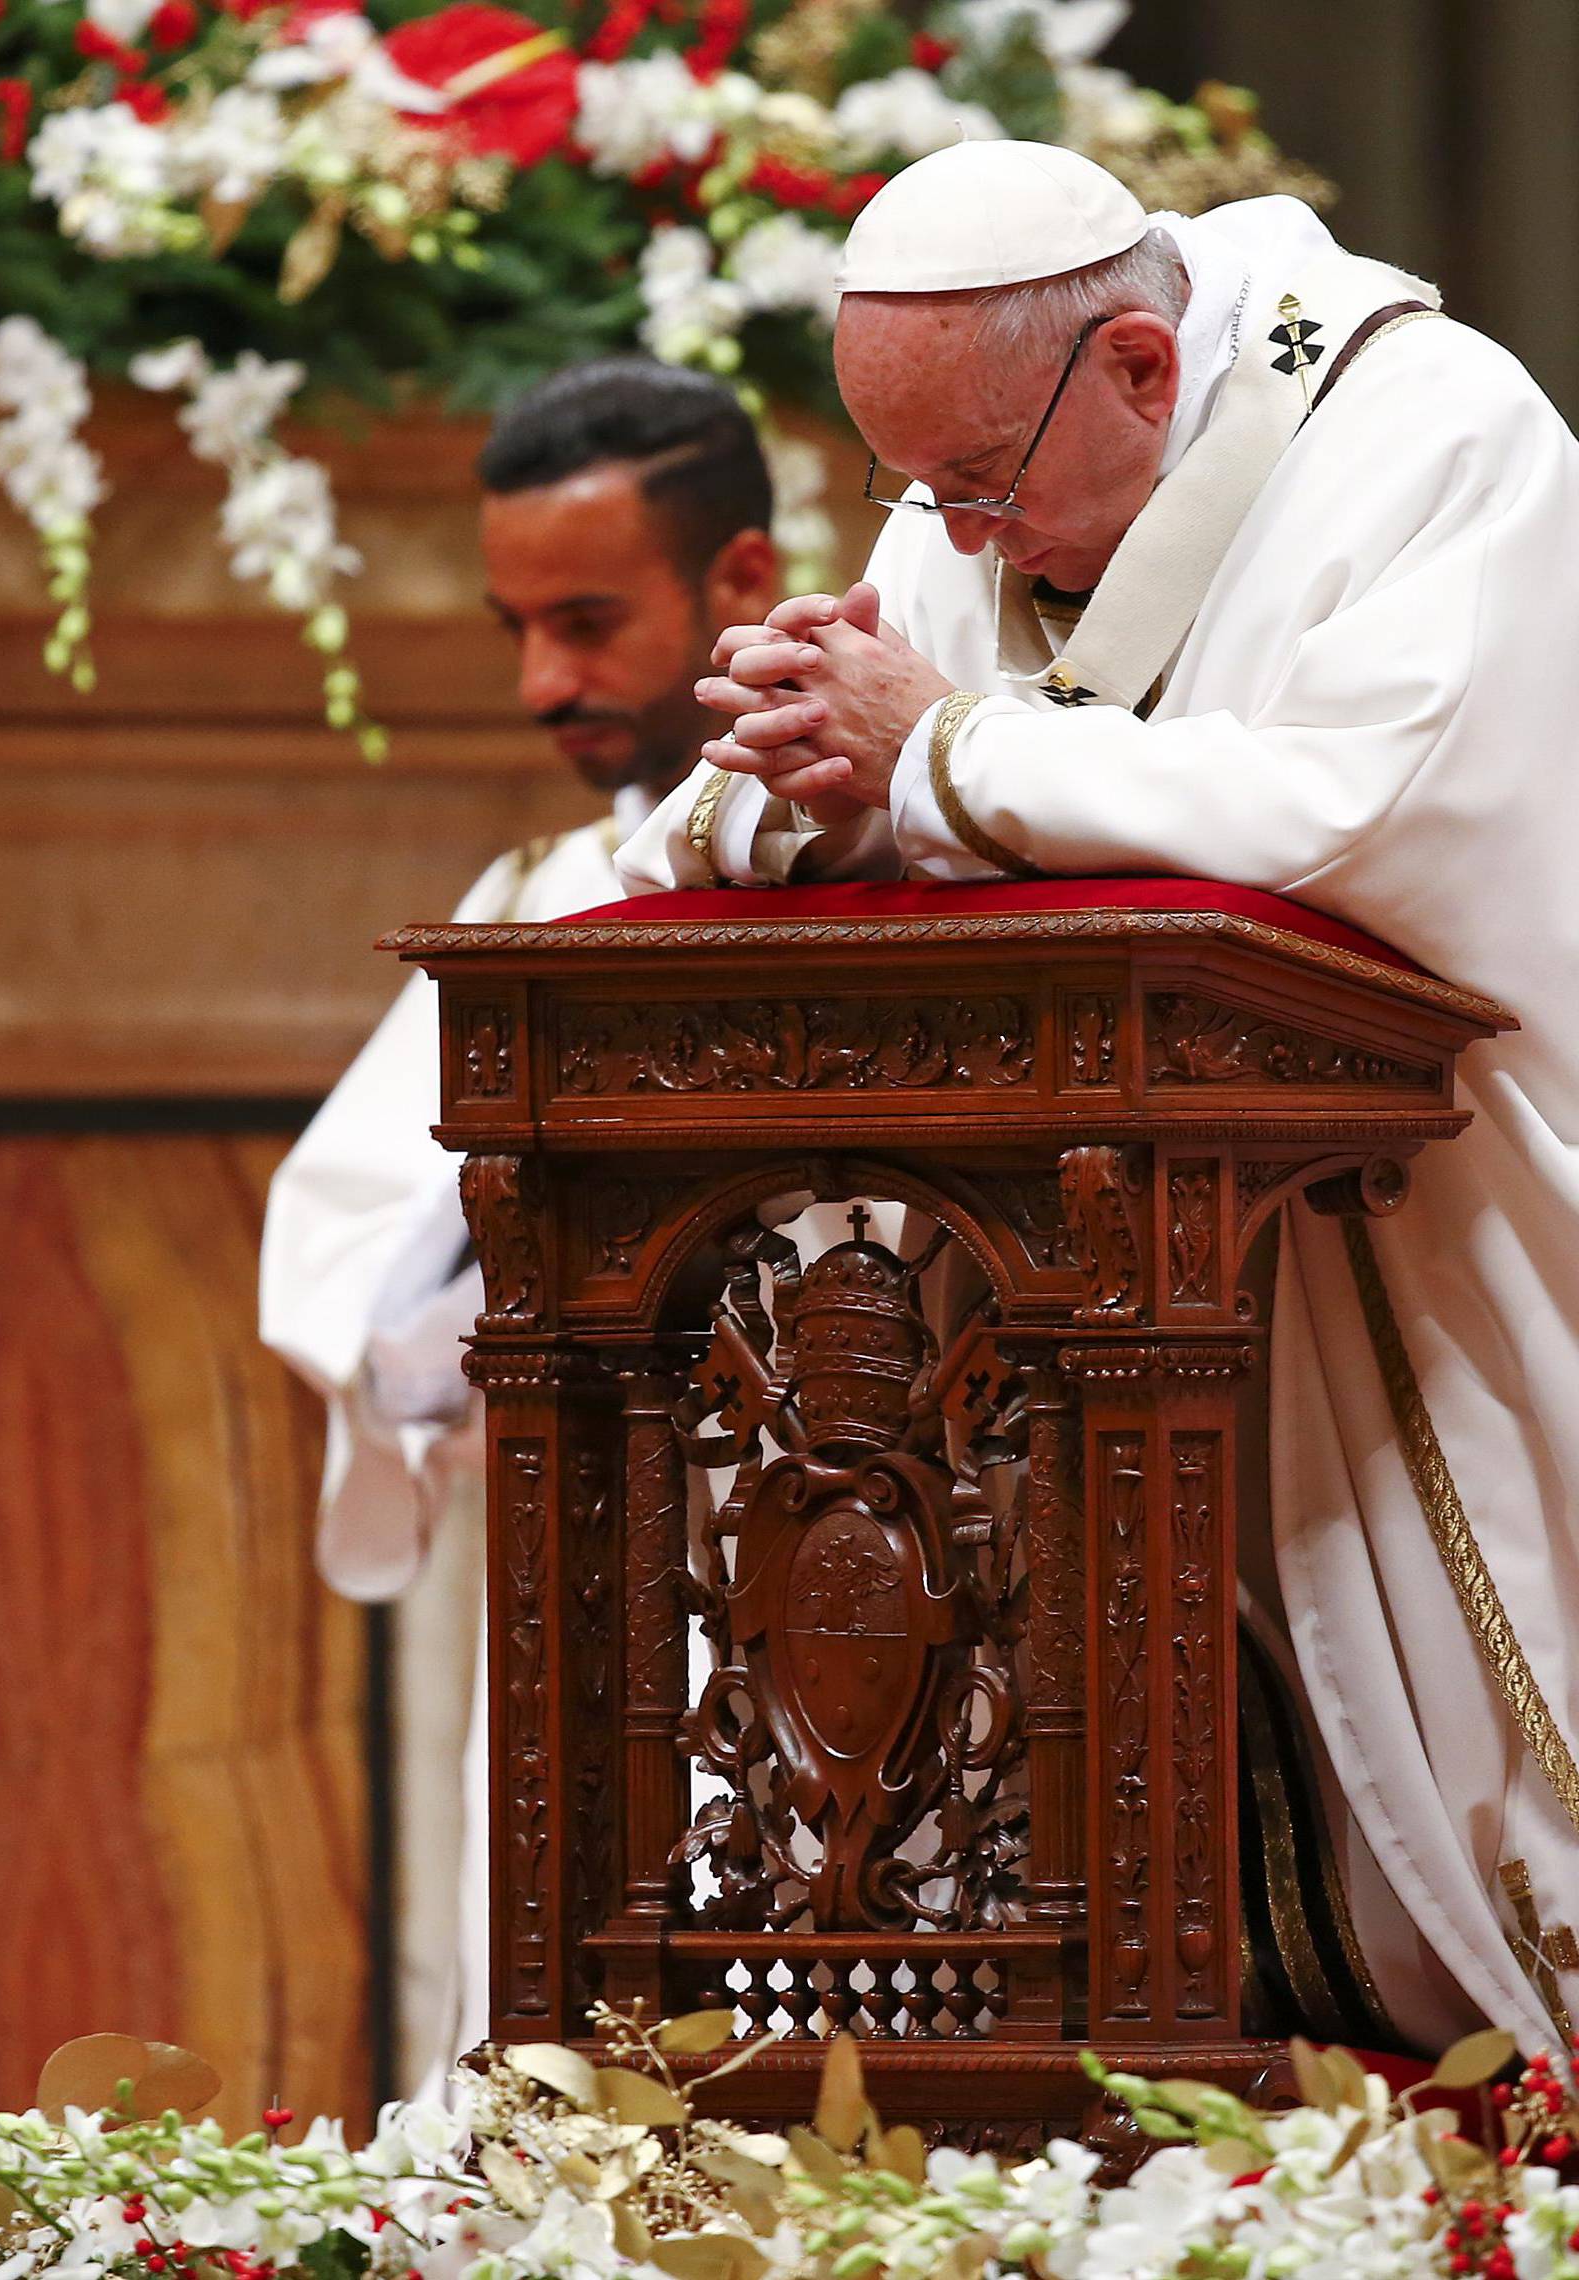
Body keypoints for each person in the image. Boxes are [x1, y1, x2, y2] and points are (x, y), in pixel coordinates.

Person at [617, 137, 1579, 2055]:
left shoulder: (1438, 442)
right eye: (919, 492)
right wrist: (798, 781)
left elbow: (1356, 810)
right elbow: (877, 757)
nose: (958, 542)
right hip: (1081, 1289)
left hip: (1426, 1226)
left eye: (981, 487)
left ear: (1141, 365)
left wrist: (942, 759)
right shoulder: (1004, 459)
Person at [260, 358, 779, 2082]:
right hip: (600, 1557)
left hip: (856, 1547)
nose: (543, 681)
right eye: (515, 627)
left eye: (585, 619)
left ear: (745, 582)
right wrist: (448, 1367)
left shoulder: (900, 847)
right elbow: (348, 1240)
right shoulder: (548, 896)